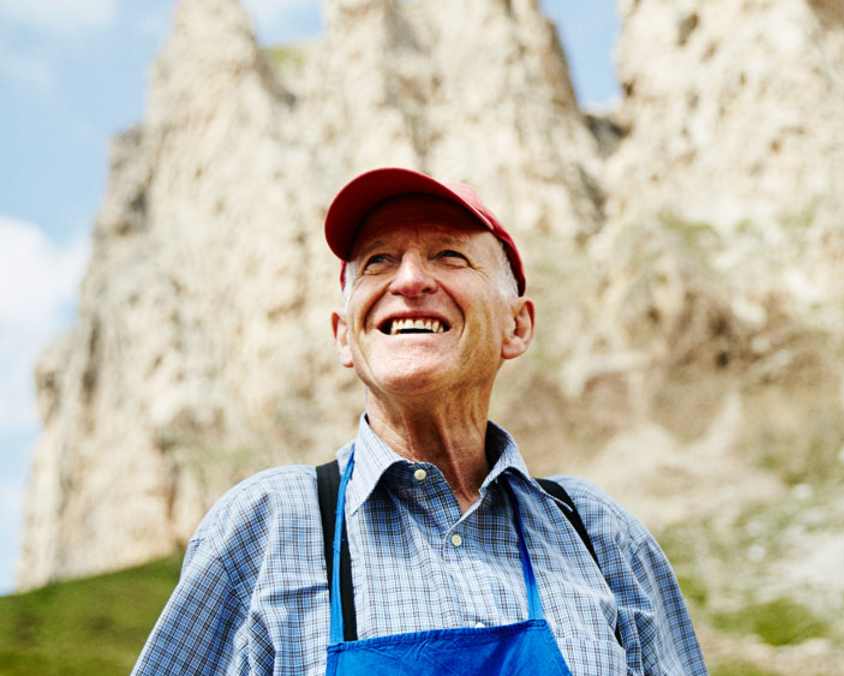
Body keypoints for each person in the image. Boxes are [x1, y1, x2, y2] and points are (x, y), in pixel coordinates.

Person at [134, 167, 708, 675]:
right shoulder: (264, 529)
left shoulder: (600, 536)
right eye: (378, 261)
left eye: (449, 256)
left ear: (518, 327)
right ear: (344, 337)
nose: (408, 281)